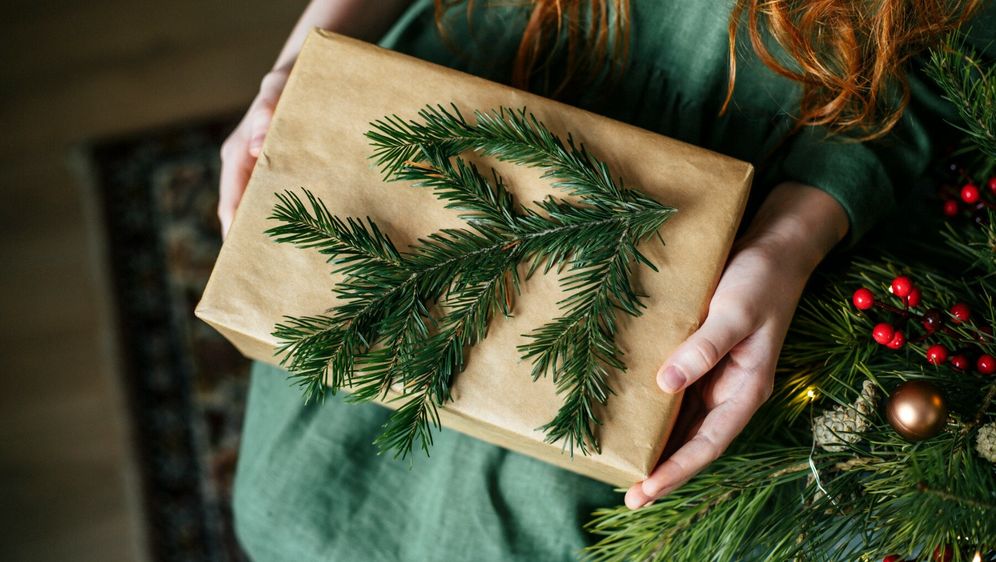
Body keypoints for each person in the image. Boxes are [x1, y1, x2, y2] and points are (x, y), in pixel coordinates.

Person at [218, 0, 990, 559]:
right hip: (459, 85)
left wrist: (786, 245)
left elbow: (949, 49)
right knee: (305, 505)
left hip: (752, 174)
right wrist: (300, 67)